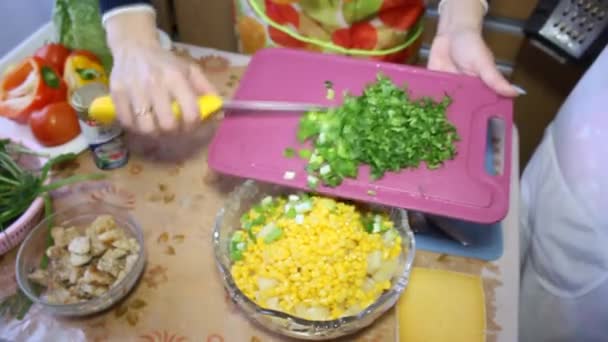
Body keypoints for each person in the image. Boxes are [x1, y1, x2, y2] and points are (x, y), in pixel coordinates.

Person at [99, 0, 519, 135]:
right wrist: (131, 33)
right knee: (274, 130)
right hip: (278, 25)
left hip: (385, 37)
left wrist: (462, 18)